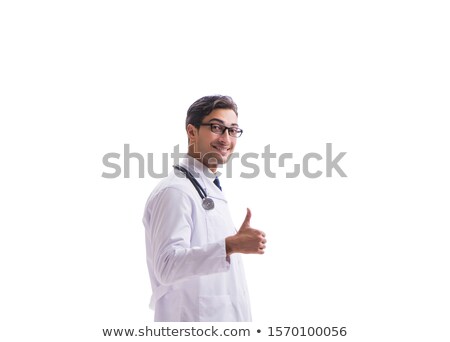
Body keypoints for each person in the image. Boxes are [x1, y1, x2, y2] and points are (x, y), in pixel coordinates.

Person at [143, 95, 267, 322]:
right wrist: (230, 245)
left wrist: (228, 247)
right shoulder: (176, 191)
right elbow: (167, 266)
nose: (226, 138)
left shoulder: (206, 187)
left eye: (233, 130)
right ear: (192, 132)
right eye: (217, 128)